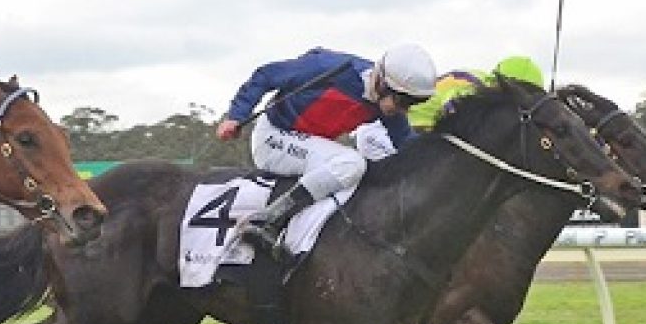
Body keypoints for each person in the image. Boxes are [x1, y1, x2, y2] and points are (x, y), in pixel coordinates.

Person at [215, 43, 437, 253]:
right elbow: (266, 75)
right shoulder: (327, 68)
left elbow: (405, 142)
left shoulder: (385, 103)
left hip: (307, 144)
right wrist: (236, 116)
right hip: (273, 138)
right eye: (402, 101)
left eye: (412, 104)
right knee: (351, 164)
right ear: (381, 82)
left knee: (360, 170)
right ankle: (267, 220)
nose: (404, 110)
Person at [353, 55, 545, 161]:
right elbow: (453, 114)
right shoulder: (472, 88)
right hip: (383, 133)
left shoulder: (482, 85)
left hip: (409, 136)